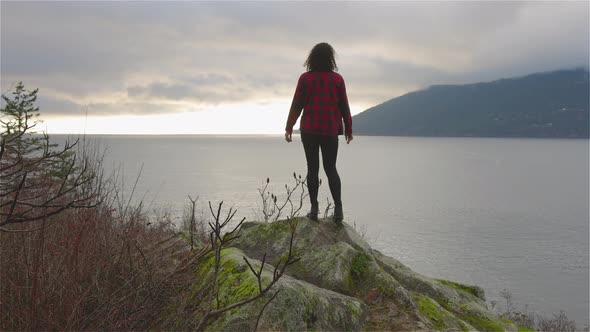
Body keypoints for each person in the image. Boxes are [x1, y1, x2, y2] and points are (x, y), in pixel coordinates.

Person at [284, 42, 353, 223]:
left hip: (309, 130)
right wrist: (348, 129)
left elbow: (297, 104)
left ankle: (314, 209)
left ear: (311, 58)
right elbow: (344, 106)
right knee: (331, 169)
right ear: (330, 58)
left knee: (312, 169)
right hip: (330, 130)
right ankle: (338, 209)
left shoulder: (305, 79)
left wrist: (289, 127)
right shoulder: (337, 80)